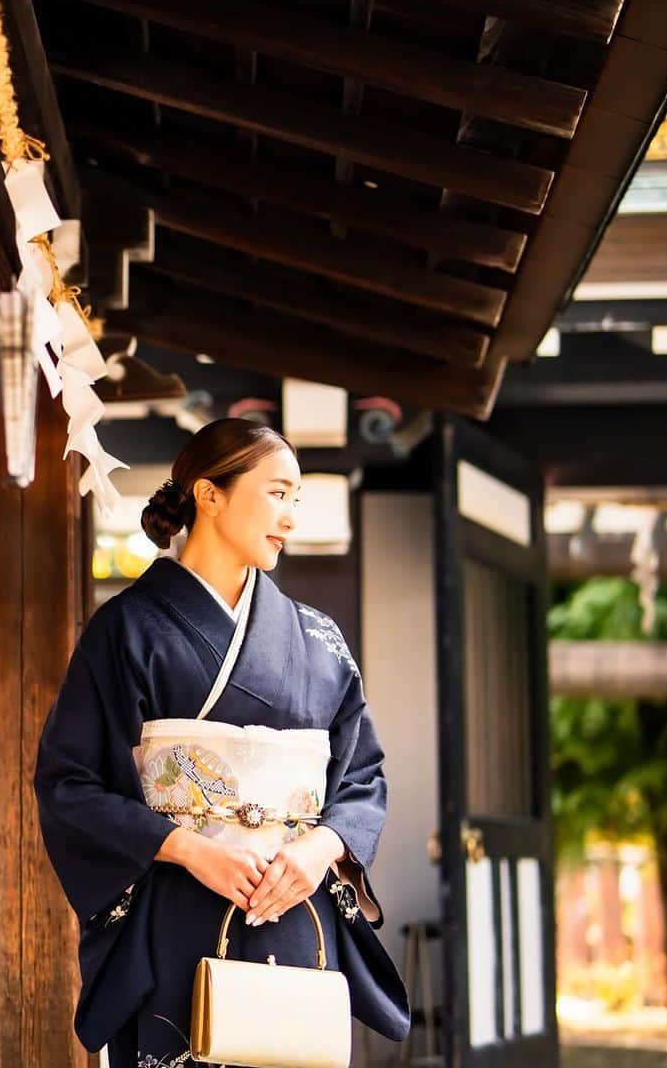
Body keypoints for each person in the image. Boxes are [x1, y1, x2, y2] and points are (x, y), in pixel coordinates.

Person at [34, 417, 409, 1067]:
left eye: (297, 498)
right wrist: (186, 848)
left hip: (293, 909)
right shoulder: (127, 629)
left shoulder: (317, 640)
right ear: (209, 494)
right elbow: (68, 784)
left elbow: (363, 777)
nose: (290, 516)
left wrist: (319, 850)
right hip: (177, 914)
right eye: (276, 492)